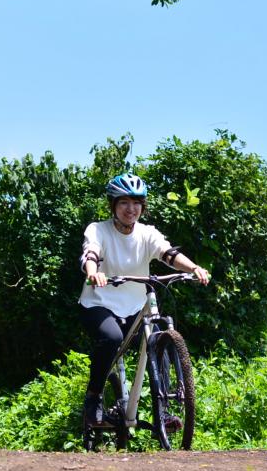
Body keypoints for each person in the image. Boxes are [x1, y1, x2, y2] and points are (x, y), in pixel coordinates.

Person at [78, 173, 210, 426]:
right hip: (99, 303)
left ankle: (164, 411)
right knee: (112, 339)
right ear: (113, 205)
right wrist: (93, 273)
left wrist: (193, 268)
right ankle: (93, 397)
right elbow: (90, 253)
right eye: (124, 202)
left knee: (159, 340)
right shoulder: (98, 230)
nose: (131, 209)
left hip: (135, 306)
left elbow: (167, 253)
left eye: (137, 203)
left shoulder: (147, 233)